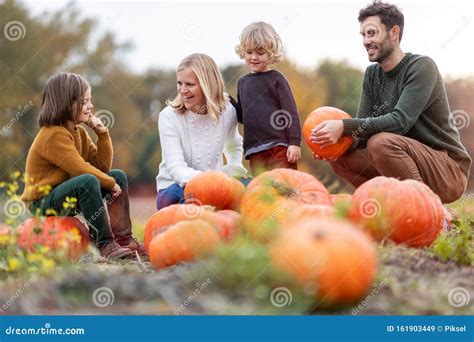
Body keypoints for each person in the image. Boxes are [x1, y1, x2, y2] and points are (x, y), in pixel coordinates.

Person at [310, 1, 471, 203]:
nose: (366, 41)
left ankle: (431, 211)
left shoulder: (422, 67)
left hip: (448, 170)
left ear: (393, 33)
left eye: (372, 33)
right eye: (363, 35)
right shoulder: (372, 75)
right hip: (401, 160)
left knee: (381, 142)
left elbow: (400, 122)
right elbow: (361, 134)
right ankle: (388, 210)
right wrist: (336, 146)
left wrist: (343, 126)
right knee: (341, 159)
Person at [21, 72, 145, 259]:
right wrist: (109, 183)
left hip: (68, 195)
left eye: (90, 101)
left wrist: (102, 135)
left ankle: (123, 239)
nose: (91, 106)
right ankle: (105, 244)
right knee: (87, 180)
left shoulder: (79, 132)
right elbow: (80, 168)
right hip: (43, 202)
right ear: (67, 103)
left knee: (116, 175)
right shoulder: (53, 135)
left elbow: (100, 169)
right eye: (85, 101)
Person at [156, 53, 247, 210]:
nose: (183, 90)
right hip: (174, 187)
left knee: (249, 189)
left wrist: (234, 172)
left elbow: (234, 145)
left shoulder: (227, 110)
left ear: (208, 85)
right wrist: (214, 182)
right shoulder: (169, 117)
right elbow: (176, 168)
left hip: (215, 187)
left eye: (190, 84)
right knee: (195, 201)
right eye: (179, 83)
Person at [234, 22, 302, 176]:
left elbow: (290, 112)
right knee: (264, 191)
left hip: (279, 147)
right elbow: (244, 117)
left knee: (285, 185)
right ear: (243, 52)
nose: (254, 57)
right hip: (255, 150)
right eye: (249, 52)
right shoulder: (242, 82)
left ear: (271, 53)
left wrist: (294, 143)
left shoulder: (277, 79)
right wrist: (227, 102)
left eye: (260, 52)